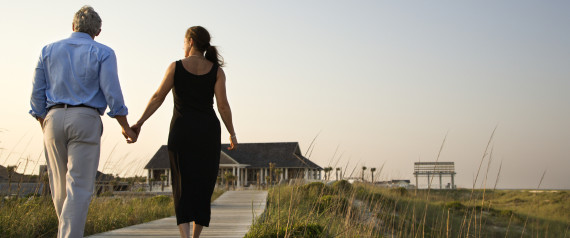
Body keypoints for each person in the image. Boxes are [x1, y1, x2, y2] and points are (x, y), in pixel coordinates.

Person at [29, 6, 137, 238]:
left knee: (59, 189)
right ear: (98, 31)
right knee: (79, 187)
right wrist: (124, 125)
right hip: (86, 118)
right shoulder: (104, 52)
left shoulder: (47, 50)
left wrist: (45, 123)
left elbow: (36, 95)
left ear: (72, 26)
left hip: (53, 117)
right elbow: (112, 93)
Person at [131, 26, 237, 238]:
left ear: (190, 42)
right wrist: (232, 134)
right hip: (208, 133)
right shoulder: (216, 71)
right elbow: (223, 105)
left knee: (182, 185)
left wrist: (139, 123)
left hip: (182, 132)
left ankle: (185, 237)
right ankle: (195, 237)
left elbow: (157, 97)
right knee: (203, 185)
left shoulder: (175, 67)